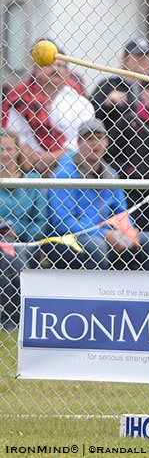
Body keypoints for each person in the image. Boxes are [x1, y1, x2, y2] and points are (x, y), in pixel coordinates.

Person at [46, 118, 149, 271]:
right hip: (68, 240)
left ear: (106, 142)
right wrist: (104, 234)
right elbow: (63, 223)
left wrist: (127, 231)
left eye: (99, 137)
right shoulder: (65, 175)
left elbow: (121, 213)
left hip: (107, 236)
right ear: (78, 143)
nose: (94, 143)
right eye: (88, 138)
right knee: (97, 246)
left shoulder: (110, 174)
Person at [2, 43, 95, 176]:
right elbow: (15, 136)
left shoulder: (80, 103)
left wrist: (50, 159)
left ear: (67, 72)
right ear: (37, 70)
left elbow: (82, 140)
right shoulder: (21, 100)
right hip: (29, 168)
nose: (55, 69)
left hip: (71, 168)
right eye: (49, 65)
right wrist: (35, 159)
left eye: (60, 66)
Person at [0, 129, 48, 329]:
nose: (4, 153)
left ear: (18, 151)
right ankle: (7, 320)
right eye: (0, 149)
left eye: (9, 148)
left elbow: (41, 222)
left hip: (26, 241)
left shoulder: (32, 180)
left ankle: (15, 321)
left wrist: (17, 231)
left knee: (14, 253)